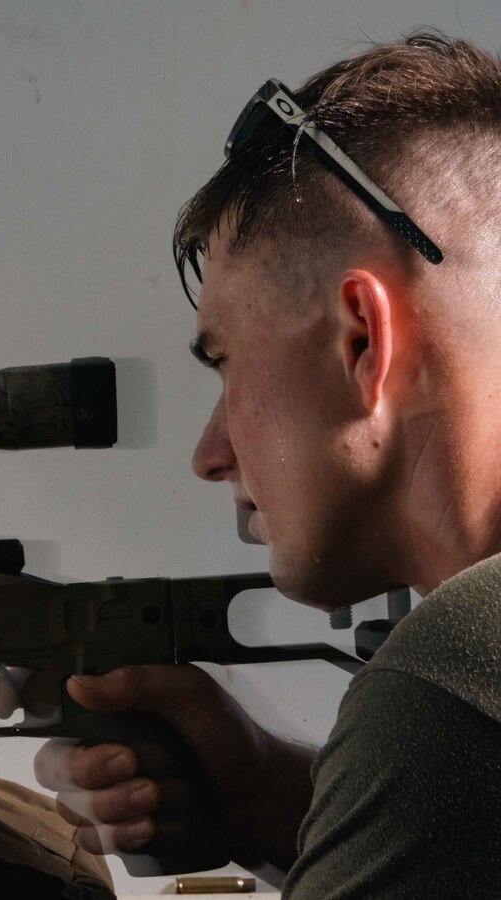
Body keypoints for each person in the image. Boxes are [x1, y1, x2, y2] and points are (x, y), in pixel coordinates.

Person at [30, 32, 501, 897]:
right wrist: (266, 796)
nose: (211, 456)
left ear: (363, 341)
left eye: (226, 361)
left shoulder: (450, 683)